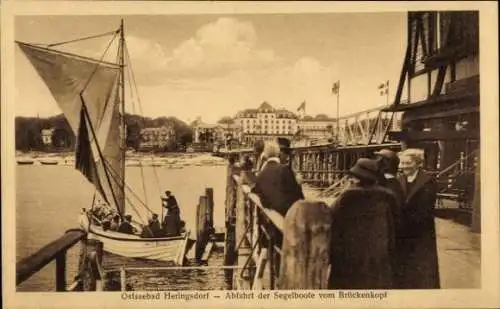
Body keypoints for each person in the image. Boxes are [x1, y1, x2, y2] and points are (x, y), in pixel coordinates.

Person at [328, 158, 398, 289]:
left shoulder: (348, 195)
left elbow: (331, 215)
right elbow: (394, 222)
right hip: (377, 252)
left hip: (350, 253)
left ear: (358, 177)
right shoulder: (388, 195)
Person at [395, 148, 440, 289]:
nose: (402, 167)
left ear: (418, 163)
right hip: (403, 232)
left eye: (407, 163)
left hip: (420, 233)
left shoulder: (428, 182)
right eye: (401, 163)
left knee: (421, 268)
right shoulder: (399, 180)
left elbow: (425, 210)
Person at [251, 139, 304, 217]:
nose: (287, 157)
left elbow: (256, 190)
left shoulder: (261, 173)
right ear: (279, 153)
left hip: (269, 215)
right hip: (285, 215)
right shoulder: (285, 169)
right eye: (285, 153)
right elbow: (298, 196)